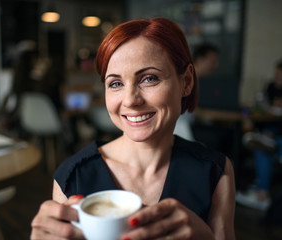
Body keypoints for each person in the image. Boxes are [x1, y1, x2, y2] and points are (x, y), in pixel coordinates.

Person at [30, 18, 235, 240]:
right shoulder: (72, 177)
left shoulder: (216, 172)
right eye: (115, 83)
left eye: (149, 78)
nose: (130, 101)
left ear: (186, 82)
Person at [237, 59, 282, 211]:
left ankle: (262, 194)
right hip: (269, 128)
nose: (277, 79)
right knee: (262, 148)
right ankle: (262, 194)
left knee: (265, 147)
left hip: (278, 133)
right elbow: (262, 105)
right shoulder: (270, 87)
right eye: (276, 75)